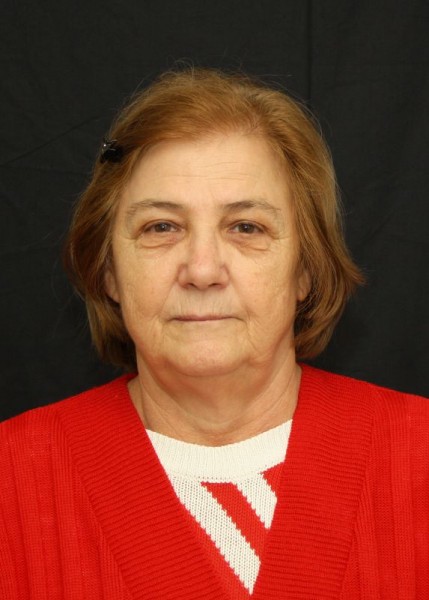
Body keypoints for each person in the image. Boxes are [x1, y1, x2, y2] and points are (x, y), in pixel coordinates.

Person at [1, 68, 428, 600]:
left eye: (246, 227)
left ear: (306, 269)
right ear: (108, 270)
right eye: (161, 227)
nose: (202, 270)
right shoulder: (12, 481)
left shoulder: (419, 455)